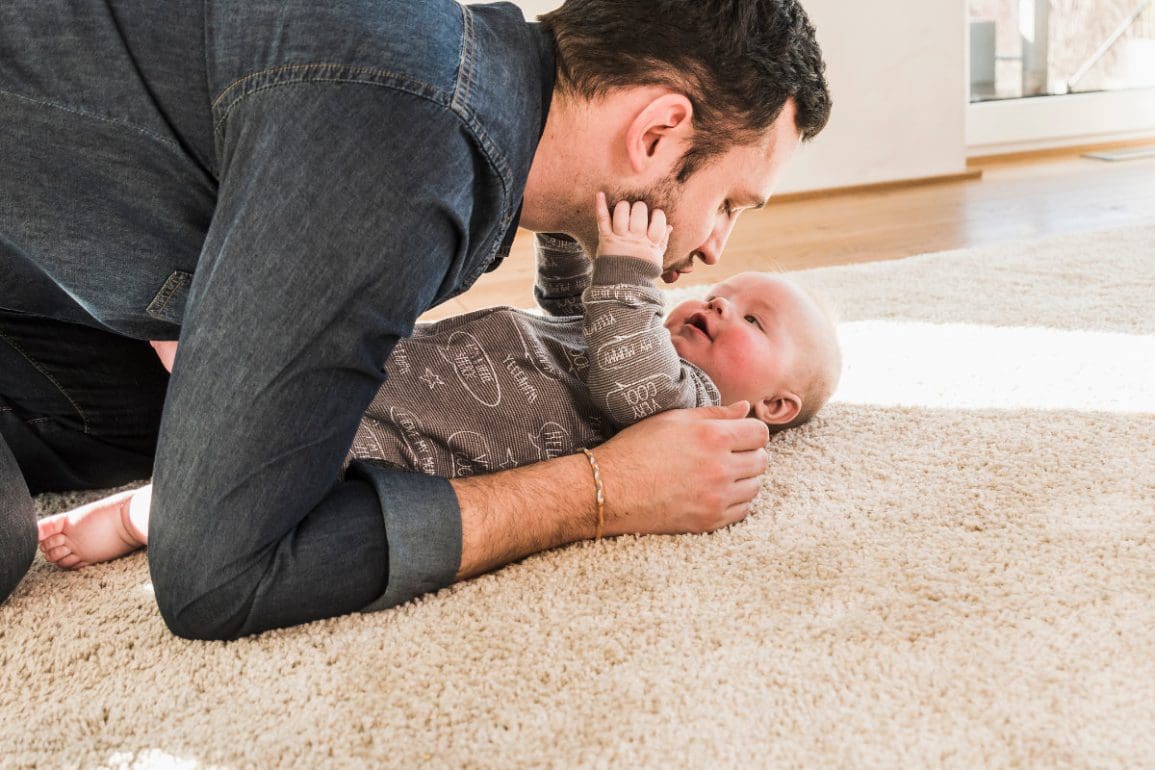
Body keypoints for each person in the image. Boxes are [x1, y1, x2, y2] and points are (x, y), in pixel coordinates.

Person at [0, 0, 831, 635]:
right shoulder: (402, 144)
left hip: (34, 269)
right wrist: (601, 491)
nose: (716, 250)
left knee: (196, 424)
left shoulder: (445, 76)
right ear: (656, 135)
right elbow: (219, 574)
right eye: (726, 202)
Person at [38, 195, 841, 569]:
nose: (719, 300)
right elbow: (571, 307)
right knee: (268, 349)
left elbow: (630, 383)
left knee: (276, 464)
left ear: (771, 406)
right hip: (397, 364)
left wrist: (629, 271)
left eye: (753, 321)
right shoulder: (628, 324)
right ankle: (175, 332)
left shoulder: (693, 412)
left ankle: (142, 516)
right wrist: (574, 236)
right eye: (724, 293)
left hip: (406, 440)